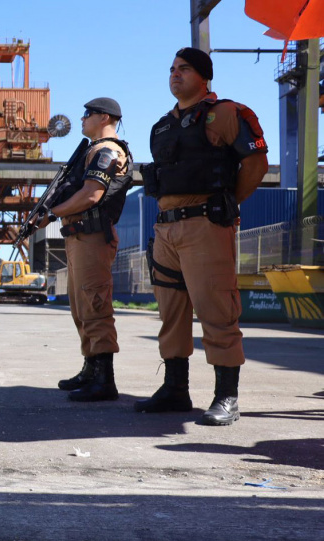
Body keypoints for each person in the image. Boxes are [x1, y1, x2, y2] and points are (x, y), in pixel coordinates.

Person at [136, 47, 268, 425]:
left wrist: (225, 203)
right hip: (166, 229)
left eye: (185, 69)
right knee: (171, 312)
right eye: (172, 69)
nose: (175, 74)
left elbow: (255, 164)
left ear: (204, 76)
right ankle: (175, 389)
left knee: (217, 310)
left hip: (206, 225)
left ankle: (226, 396)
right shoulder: (162, 126)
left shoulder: (227, 113)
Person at [36, 98, 133, 402]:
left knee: (95, 305)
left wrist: (52, 213)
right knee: (81, 308)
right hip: (79, 235)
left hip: (92, 234)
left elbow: (91, 195)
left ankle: (105, 380)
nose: (81, 118)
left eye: (87, 114)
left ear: (104, 116)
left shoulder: (108, 150)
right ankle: (91, 368)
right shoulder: (93, 149)